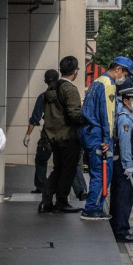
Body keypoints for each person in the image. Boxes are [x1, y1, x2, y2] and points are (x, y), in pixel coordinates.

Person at [79, 56, 133, 220]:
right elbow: (108, 116)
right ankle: (91, 209)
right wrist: (107, 140)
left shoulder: (97, 82)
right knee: (102, 174)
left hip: (88, 133)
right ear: (118, 69)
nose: (124, 77)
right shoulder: (108, 85)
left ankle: (94, 207)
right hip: (97, 136)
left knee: (97, 172)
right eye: (124, 73)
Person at [38, 57, 87, 213]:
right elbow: (74, 115)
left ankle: (46, 200)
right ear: (75, 71)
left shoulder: (52, 89)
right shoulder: (70, 90)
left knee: (58, 169)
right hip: (68, 136)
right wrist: (86, 118)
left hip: (54, 136)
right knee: (68, 170)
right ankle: (61, 201)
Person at [110, 85, 133, 242]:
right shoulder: (124, 118)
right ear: (125, 100)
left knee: (119, 196)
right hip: (124, 165)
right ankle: (121, 231)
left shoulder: (127, 116)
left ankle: (117, 227)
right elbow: (124, 144)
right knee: (124, 198)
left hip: (122, 163)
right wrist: (127, 164)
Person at [25, 70, 60, 193]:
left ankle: (41, 186)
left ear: (45, 81)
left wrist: (28, 134)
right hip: (65, 134)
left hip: (48, 136)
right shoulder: (65, 94)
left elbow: (35, 118)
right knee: (69, 162)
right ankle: (80, 190)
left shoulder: (43, 97)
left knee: (41, 160)